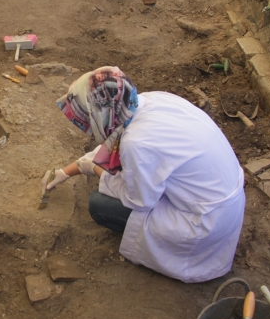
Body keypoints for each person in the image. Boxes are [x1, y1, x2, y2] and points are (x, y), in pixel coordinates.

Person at [41, 67, 245, 283]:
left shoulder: (137, 143)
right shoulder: (145, 101)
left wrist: (93, 169)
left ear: (100, 114)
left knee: (99, 204)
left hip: (205, 223)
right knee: (123, 176)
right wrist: (69, 170)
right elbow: (116, 140)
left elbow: (139, 200)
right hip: (224, 197)